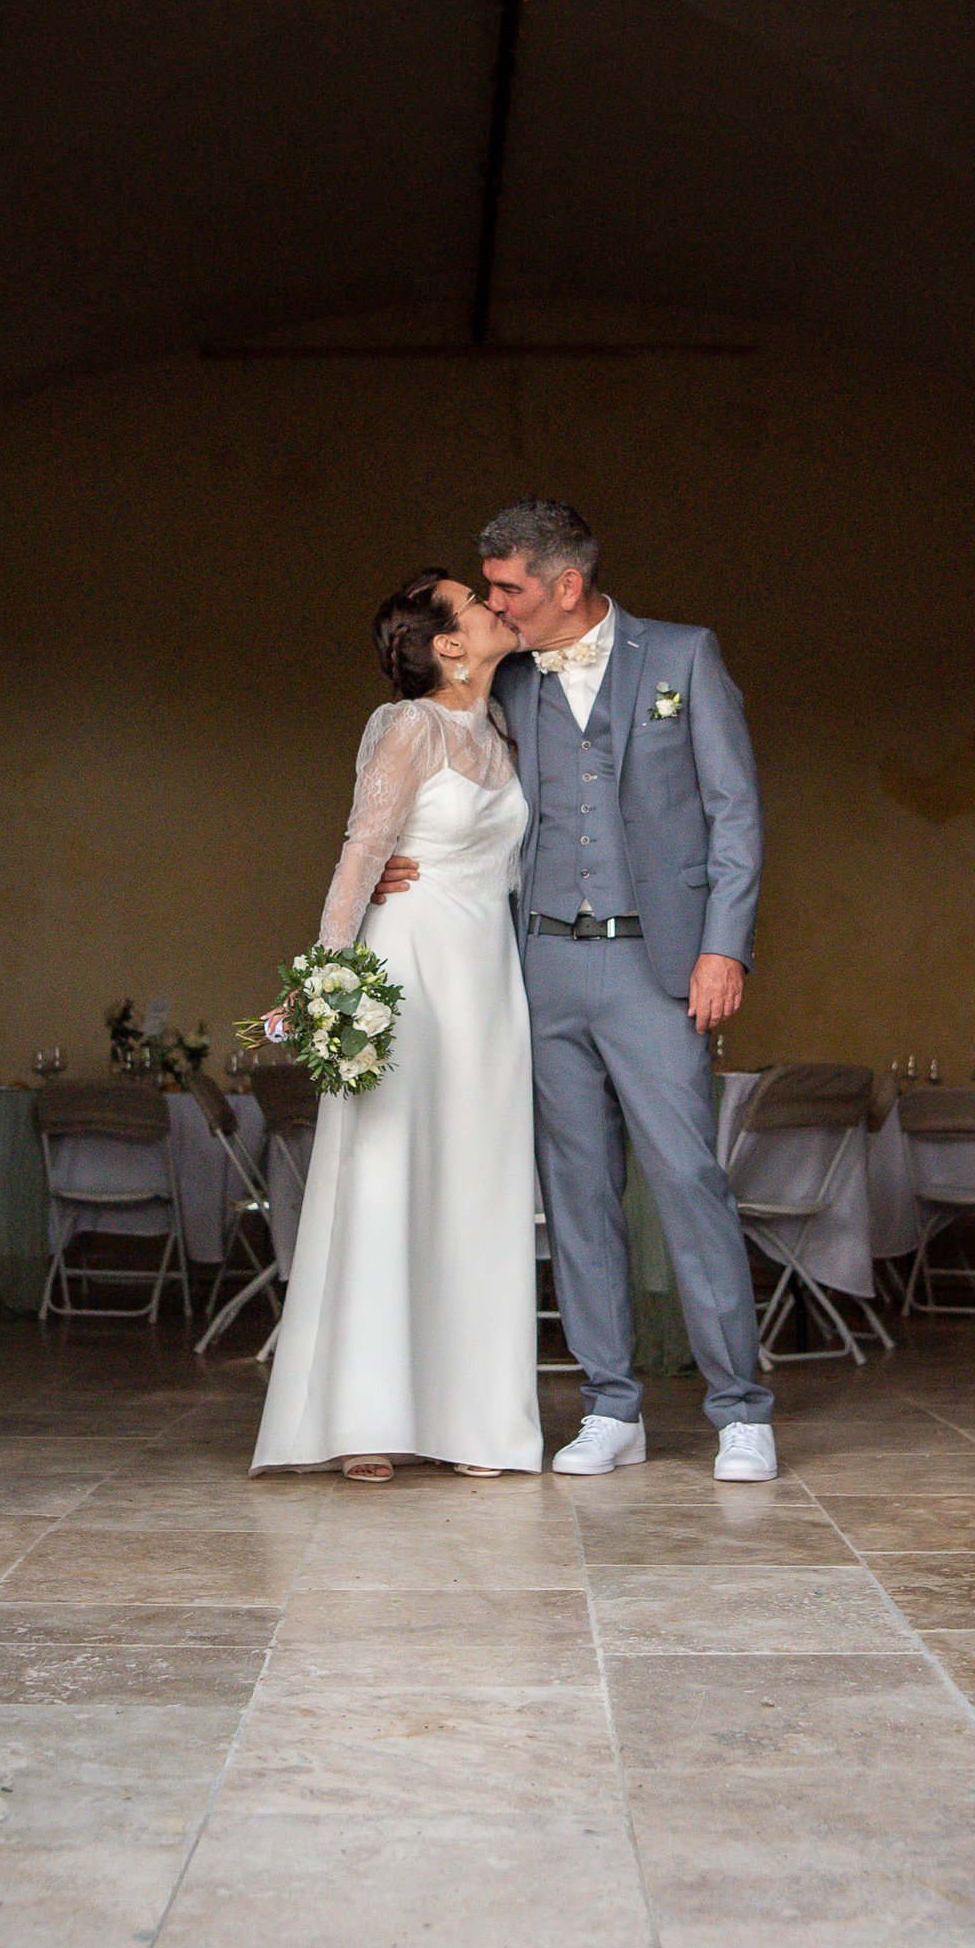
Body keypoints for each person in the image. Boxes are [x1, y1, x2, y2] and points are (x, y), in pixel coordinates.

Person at [376, 498, 776, 1483]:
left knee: (686, 1180)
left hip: (656, 966)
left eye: (506, 586)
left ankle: (740, 1411)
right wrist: (402, 857)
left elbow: (734, 812)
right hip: (539, 965)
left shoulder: (684, 656)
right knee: (575, 1191)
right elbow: (422, 740)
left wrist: (725, 946)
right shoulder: (505, 673)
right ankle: (610, 1407)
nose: (495, 604)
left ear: (564, 585)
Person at [251, 572, 543, 1482]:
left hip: (489, 980)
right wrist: (330, 978)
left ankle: (477, 1421)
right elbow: (363, 850)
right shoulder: (407, 726)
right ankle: (362, 1415)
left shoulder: (501, 729)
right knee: (388, 1176)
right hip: (411, 967)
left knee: (480, 1183)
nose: (500, 607)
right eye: (477, 602)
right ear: (447, 644)